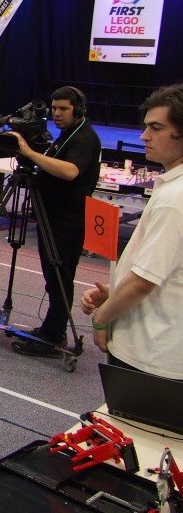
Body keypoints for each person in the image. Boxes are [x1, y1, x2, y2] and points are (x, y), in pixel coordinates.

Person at [80, 84, 183, 379]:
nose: (143, 136)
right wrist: (115, 294)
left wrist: (102, 318)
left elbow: (144, 282)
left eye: (156, 128)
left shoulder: (175, 197)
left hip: (148, 352)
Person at [9, 86, 101, 357]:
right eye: (54, 108)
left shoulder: (83, 137)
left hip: (67, 220)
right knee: (53, 278)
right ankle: (52, 329)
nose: (57, 113)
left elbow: (70, 171)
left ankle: (54, 338)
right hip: (52, 217)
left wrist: (30, 153)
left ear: (78, 110)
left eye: (64, 109)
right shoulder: (67, 134)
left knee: (60, 278)